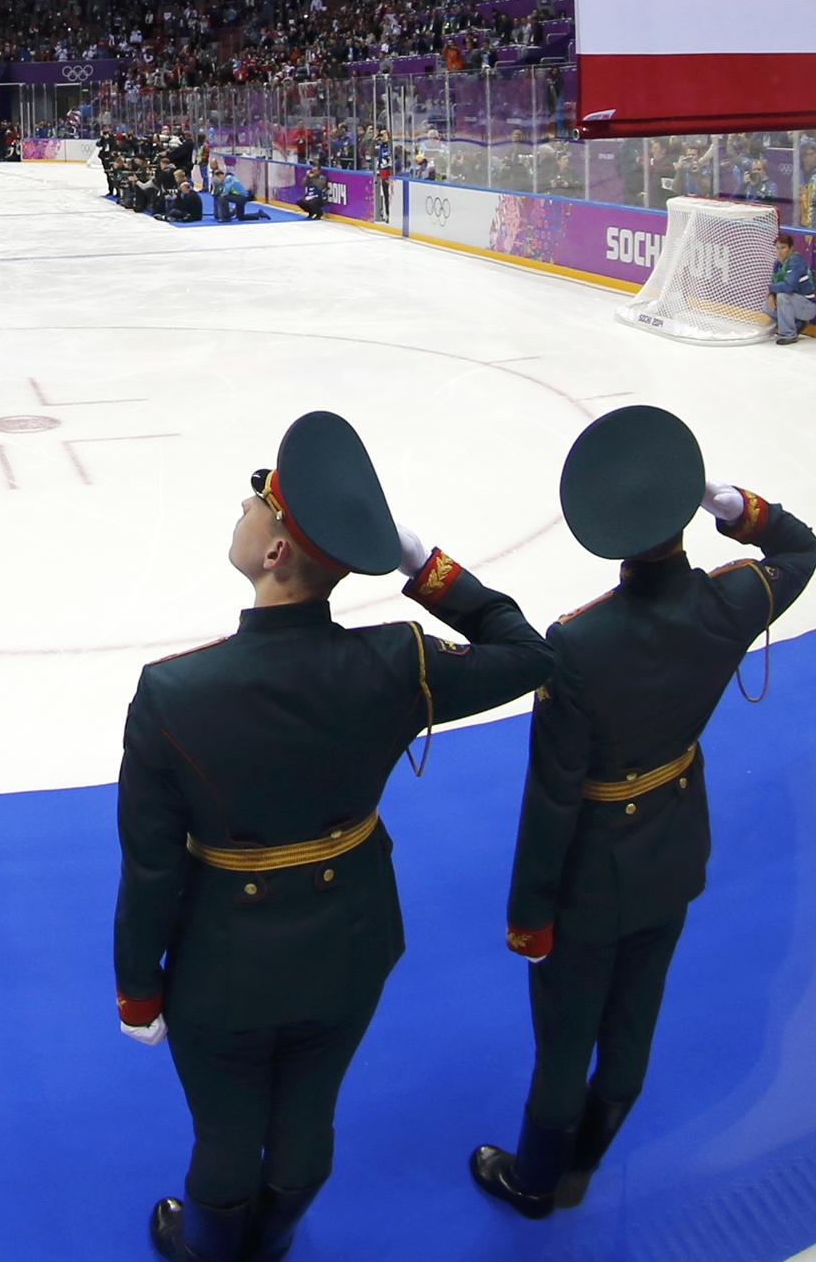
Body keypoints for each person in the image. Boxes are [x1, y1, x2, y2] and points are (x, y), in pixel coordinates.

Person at [118, 412, 553, 1262]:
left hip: (223, 958)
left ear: (276, 551)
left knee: (226, 1127)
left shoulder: (173, 693)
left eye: (259, 501)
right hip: (349, 939)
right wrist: (419, 563)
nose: (246, 509)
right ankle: (271, 1243)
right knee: (309, 1111)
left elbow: (150, 866)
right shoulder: (397, 661)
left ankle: (211, 1249)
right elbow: (526, 652)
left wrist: (139, 986)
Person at [473, 405, 816, 1216]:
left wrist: (530, 915)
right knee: (633, 1021)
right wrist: (729, 502)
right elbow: (800, 548)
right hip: (673, 847)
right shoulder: (731, 602)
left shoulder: (577, 643)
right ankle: (586, 1158)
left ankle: (534, 1178)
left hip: (593, 872)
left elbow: (553, 797)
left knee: (565, 1037)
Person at [767, 230, 816, 345]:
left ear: (790, 248)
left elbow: (788, 287)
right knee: (768, 305)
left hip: (808, 306)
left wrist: (771, 289)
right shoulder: (778, 264)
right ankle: (796, 323)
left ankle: (788, 334)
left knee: (782, 297)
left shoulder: (796, 262)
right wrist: (771, 294)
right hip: (795, 302)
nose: (779, 252)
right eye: (777, 248)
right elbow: (776, 283)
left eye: (783, 248)